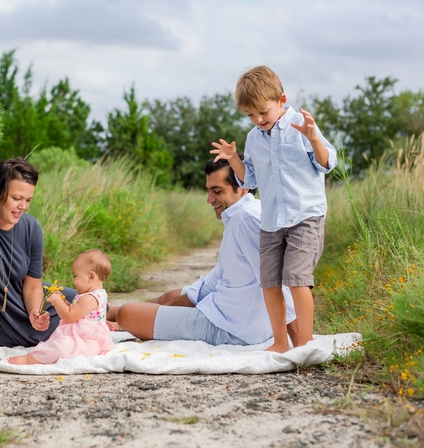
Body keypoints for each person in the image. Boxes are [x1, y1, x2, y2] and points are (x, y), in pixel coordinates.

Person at [211, 65, 337, 352]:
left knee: (297, 280)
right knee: (269, 282)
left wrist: (314, 137)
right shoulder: (254, 138)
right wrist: (232, 158)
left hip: (305, 216)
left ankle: (304, 342)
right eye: (250, 115)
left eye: (262, 112)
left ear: (281, 100)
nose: (257, 119)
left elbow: (327, 162)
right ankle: (280, 342)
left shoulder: (301, 126)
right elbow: (250, 179)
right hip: (271, 222)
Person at [112, 158, 298, 347]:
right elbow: (216, 279)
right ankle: (104, 311)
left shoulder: (247, 220)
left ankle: (114, 314)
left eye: (217, 191)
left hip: (231, 327)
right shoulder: (240, 215)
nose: (209, 199)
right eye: (209, 191)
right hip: (226, 308)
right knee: (171, 296)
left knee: (127, 314)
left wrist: (294, 341)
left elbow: (276, 282)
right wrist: (168, 310)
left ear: (244, 188)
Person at [0, 158, 77, 347]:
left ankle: (107, 315)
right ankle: (100, 319)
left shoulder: (31, 227)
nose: (23, 206)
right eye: (16, 198)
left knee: (86, 301)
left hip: (21, 296)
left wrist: (35, 312)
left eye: (28, 200)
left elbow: (32, 285)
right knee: (78, 317)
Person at [9, 249, 115, 365]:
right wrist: (64, 301)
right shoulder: (92, 295)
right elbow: (76, 310)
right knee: (56, 344)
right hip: (81, 336)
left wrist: (56, 300)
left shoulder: (90, 298)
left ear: (91, 276)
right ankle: (37, 356)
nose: (73, 280)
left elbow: (70, 316)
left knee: (60, 347)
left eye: (75, 276)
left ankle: (29, 359)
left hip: (86, 341)